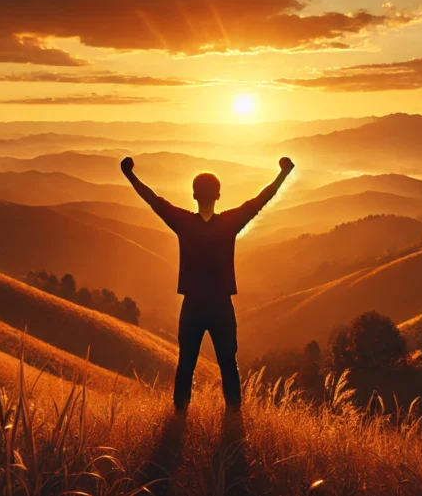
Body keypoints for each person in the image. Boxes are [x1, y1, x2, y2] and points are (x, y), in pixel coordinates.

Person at [121, 156, 295, 413]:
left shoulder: (184, 223)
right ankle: (233, 416)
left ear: (193, 194)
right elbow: (261, 200)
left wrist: (129, 174)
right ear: (219, 195)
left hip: (192, 305)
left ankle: (180, 415)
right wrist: (283, 174)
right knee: (227, 362)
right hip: (221, 305)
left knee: (186, 363)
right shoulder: (229, 223)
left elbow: (153, 200)